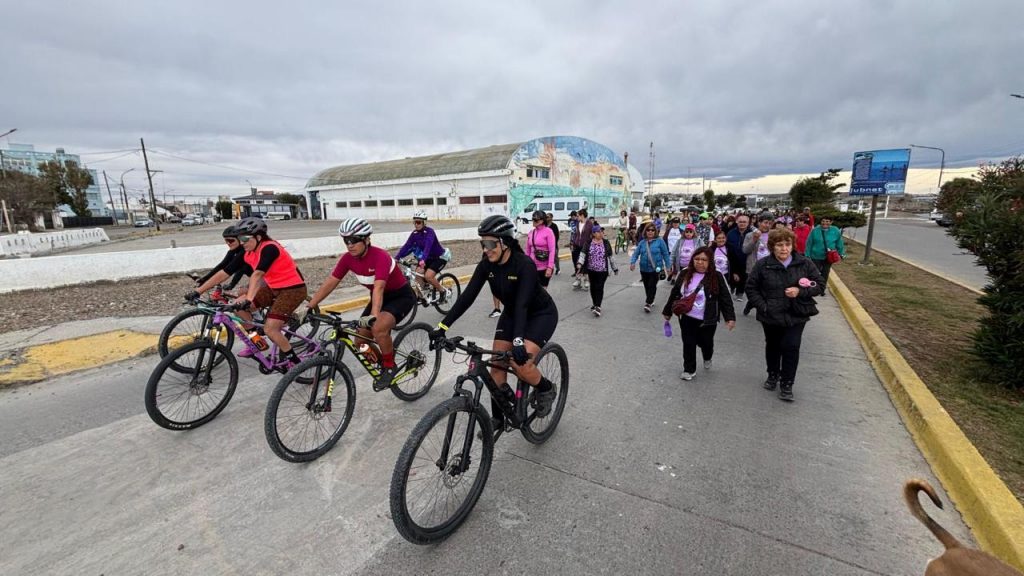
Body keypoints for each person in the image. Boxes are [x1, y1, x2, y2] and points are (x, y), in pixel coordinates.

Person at [429, 215, 560, 427]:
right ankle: (498, 419)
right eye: (482, 243)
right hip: (512, 314)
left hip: (539, 314)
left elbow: (522, 305)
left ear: (505, 242)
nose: (485, 249)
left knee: (521, 365)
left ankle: (546, 388)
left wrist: (517, 341)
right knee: (497, 366)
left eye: (490, 243)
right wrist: (442, 326)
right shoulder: (486, 265)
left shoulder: (523, 265)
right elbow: (467, 297)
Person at [307, 218, 416, 390]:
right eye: (346, 241)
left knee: (378, 328)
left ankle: (390, 366)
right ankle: (381, 362)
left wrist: (373, 316)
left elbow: (379, 288)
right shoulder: (348, 259)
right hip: (378, 298)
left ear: (366, 240)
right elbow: (331, 282)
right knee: (360, 342)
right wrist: (310, 306)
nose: (350, 245)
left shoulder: (381, 256)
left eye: (354, 240)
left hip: (400, 296)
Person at [745, 227, 825, 401]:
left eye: (787, 244)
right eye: (779, 245)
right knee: (773, 346)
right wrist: (763, 306)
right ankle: (773, 374)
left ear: (792, 245)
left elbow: (819, 285)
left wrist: (800, 291)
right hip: (771, 315)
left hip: (796, 314)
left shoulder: (804, 263)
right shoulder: (763, 265)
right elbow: (751, 288)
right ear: (772, 246)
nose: (784, 249)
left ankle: (787, 383)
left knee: (791, 346)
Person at [218, 217, 307, 367]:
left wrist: (249, 298)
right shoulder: (248, 252)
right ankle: (257, 341)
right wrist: (199, 289)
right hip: (273, 288)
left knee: (270, 328)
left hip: (293, 289)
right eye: (239, 239)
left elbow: (257, 274)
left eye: (244, 238)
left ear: (258, 237)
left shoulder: (270, 247)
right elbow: (225, 270)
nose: (241, 242)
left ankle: (295, 362)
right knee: (238, 307)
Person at [662, 246, 736, 380]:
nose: (700, 262)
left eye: (704, 260)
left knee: (706, 343)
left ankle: (707, 356)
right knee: (688, 343)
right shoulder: (685, 273)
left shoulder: (717, 275)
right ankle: (689, 370)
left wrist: (729, 317)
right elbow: (675, 293)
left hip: (708, 319)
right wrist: (667, 311)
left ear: (710, 262)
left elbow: (725, 297)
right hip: (687, 317)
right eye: (697, 259)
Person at [395, 210, 451, 303]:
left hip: (439, 258)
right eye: (414, 222)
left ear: (424, 222)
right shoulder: (414, 234)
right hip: (427, 259)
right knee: (417, 274)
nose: (416, 224)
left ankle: (443, 291)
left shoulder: (430, 232)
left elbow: (427, 247)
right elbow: (407, 246)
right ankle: (422, 296)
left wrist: (423, 260)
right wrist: (396, 258)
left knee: (428, 276)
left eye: (418, 222)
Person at [577, 223, 618, 316]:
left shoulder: (606, 243)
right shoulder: (588, 242)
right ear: (594, 233)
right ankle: (595, 303)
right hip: (591, 270)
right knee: (593, 288)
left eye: (601, 231)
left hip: (603, 270)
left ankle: (598, 306)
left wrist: (615, 268)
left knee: (599, 287)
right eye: (599, 231)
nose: (601, 233)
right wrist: (580, 263)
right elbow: (583, 254)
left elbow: (611, 257)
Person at [191, 226, 248, 293]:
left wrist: (232, 284)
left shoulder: (244, 251)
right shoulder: (232, 251)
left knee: (242, 293)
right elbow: (221, 266)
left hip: (260, 278)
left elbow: (232, 271)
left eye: (231, 240)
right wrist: (204, 279)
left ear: (240, 239)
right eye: (226, 241)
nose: (228, 243)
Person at [629, 222, 671, 313]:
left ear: (655, 231)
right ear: (645, 231)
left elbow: (666, 254)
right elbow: (636, 254)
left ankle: (648, 302)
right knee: (647, 286)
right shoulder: (642, 243)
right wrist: (632, 263)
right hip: (644, 269)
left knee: (652, 285)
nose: (650, 232)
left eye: (652, 230)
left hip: (656, 268)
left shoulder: (660, 241)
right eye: (648, 230)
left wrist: (668, 267)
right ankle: (651, 299)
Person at [741, 213, 774, 315]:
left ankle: (761, 311)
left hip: (770, 268)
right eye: (765, 222)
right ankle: (750, 304)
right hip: (754, 267)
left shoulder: (774, 235)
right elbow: (745, 250)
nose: (767, 225)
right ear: (759, 223)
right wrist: (754, 239)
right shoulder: (749, 235)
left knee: (766, 291)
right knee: (755, 291)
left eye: (769, 223)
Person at [804, 216, 846, 290]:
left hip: (829, 256)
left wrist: (841, 253)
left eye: (827, 221)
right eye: (823, 221)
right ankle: (814, 286)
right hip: (815, 256)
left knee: (825, 272)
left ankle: (822, 287)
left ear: (831, 222)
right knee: (815, 272)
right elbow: (809, 243)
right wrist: (807, 254)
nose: (825, 223)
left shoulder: (835, 230)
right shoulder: (815, 231)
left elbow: (839, 243)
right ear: (821, 222)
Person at [525, 209, 557, 287]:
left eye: (536, 219)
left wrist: (550, 267)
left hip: (544, 267)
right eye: (533, 219)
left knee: (542, 292)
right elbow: (527, 251)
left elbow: (552, 250)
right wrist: (525, 265)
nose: (533, 221)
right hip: (532, 268)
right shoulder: (531, 233)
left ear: (542, 220)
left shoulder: (548, 232)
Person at [726, 213, 753, 301]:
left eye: (744, 222)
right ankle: (732, 288)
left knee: (744, 278)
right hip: (733, 259)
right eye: (740, 222)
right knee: (733, 277)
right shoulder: (730, 233)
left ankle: (740, 293)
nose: (742, 223)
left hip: (747, 259)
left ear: (748, 223)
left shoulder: (752, 234)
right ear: (737, 222)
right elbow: (728, 248)